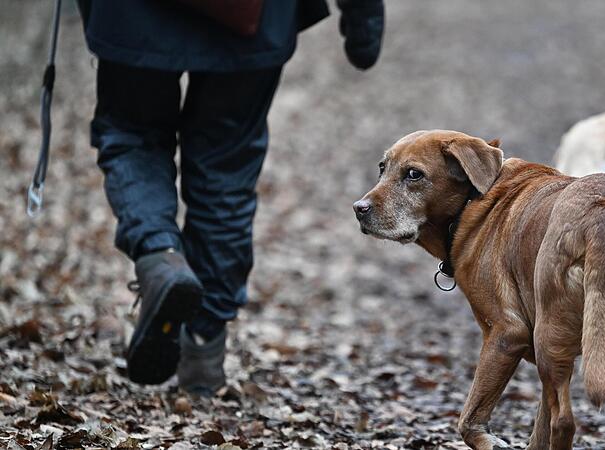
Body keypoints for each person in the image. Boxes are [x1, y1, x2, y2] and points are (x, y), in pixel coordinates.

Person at [76, 0, 384, 395]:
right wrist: (363, 16)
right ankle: (204, 349)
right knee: (225, 169)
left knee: (133, 135)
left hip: (131, 17)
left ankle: (160, 256)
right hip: (255, 19)